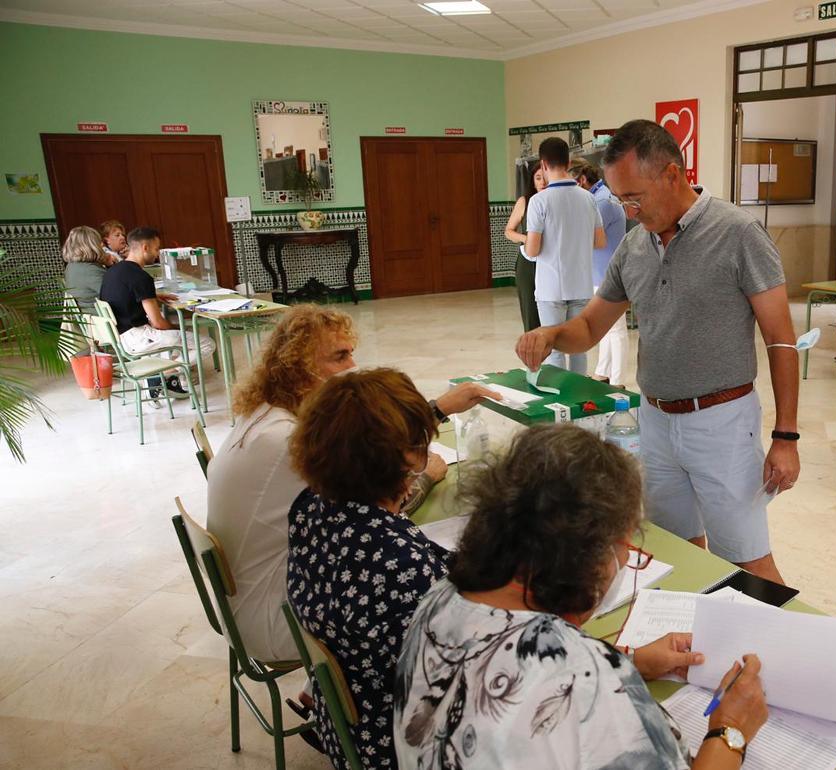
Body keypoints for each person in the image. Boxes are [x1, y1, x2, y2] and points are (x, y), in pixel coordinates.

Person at [516, 120, 800, 585]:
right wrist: (550, 335)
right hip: (656, 422)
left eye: (634, 197)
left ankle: (789, 648)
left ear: (672, 175)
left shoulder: (737, 233)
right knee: (677, 547)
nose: (627, 210)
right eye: (619, 198)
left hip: (722, 423)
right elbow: (589, 326)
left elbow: (781, 339)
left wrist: (786, 436)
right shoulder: (635, 246)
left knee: (747, 560)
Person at [393, 423, 769, 770]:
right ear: (592, 554)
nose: (625, 562)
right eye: (626, 549)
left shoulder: (440, 599)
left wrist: (633, 660)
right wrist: (731, 731)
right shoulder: (589, 679)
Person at [207, 305, 498, 662]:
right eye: (340, 357)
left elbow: (360, 440)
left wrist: (434, 409)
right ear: (298, 371)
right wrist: (424, 476)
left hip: (263, 591)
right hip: (272, 615)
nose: (352, 367)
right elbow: (375, 496)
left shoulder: (269, 413)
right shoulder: (285, 441)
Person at [288, 367, 472, 769]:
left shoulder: (310, 506)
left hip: (344, 725)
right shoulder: (395, 566)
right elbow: (475, 675)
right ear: (407, 458)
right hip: (399, 746)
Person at [97, 226, 215, 394]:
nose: (157, 253)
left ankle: (168, 377)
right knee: (207, 344)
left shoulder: (112, 272)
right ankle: (162, 375)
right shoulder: (141, 277)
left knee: (179, 339)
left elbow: (124, 295)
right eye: (156, 248)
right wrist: (178, 329)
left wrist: (154, 296)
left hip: (120, 338)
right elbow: (158, 323)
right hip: (139, 337)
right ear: (145, 248)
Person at [524, 137, 606, 374]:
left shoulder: (539, 201)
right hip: (580, 283)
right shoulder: (589, 198)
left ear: (543, 164)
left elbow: (532, 249)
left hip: (551, 287)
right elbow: (600, 241)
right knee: (579, 347)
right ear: (568, 162)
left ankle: (560, 402)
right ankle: (579, 400)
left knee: (554, 347)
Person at [571, 159, 629, 385]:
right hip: (598, 273)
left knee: (616, 329)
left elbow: (585, 236)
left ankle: (617, 380)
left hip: (610, 274)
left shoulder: (603, 202)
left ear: (583, 179)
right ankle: (603, 372)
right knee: (604, 327)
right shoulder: (596, 198)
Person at [504, 166, 546, 332]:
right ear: (532, 181)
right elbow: (509, 231)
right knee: (530, 312)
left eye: (545, 177)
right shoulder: (525, 201)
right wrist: (527, 239)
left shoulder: (556, 201)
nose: (542, 182)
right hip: (528, 263)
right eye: (537, 178)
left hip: (551, 261)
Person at [62, 225, 111, 315]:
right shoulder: (90, 270)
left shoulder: (72, 266)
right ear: (90, 245)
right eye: (98, 242)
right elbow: (118, 294)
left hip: (89, 318)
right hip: (103, 320)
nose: (102, 245)